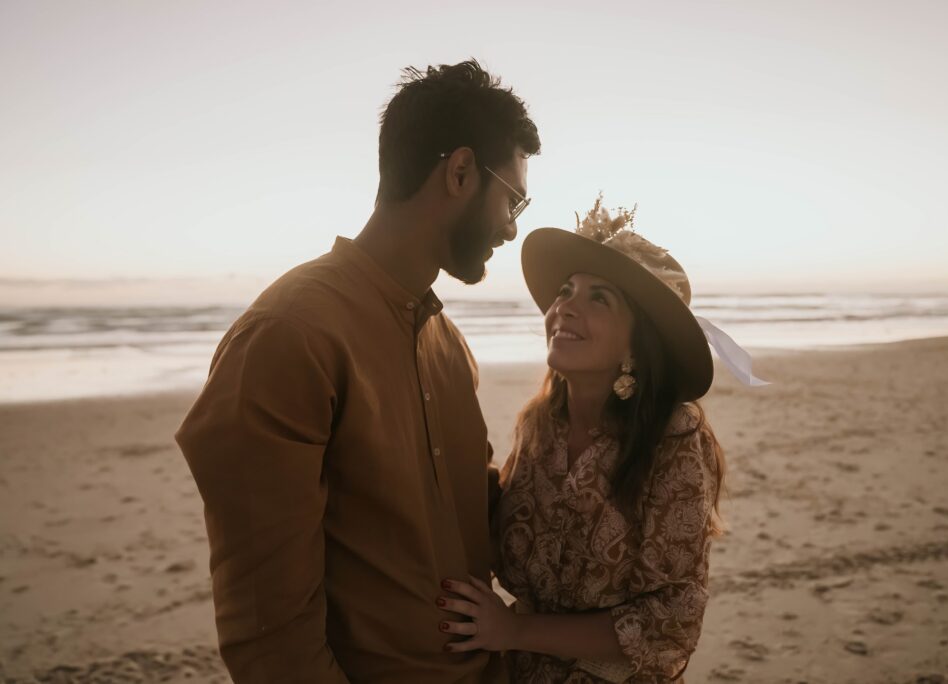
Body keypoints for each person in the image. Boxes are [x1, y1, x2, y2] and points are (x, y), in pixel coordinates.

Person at [175, 59, 540, 683]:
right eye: (513, 199)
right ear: (458, 173)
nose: (512, 227)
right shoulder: (290, 336)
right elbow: (270, 634)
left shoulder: (446, 345)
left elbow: (486, 524)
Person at [436, 198, 766, 682]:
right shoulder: (539, 425)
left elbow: (672, 619)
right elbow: (504, 535)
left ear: (637, 342)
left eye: (598, 298)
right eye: (565, 290)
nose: (564, 306)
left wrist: (514, 631)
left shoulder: (673, 439)